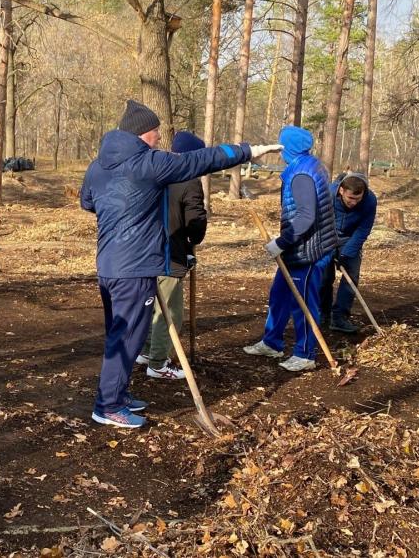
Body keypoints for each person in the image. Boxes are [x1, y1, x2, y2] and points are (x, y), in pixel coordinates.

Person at [81, 99, 282, 429]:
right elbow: (201, 160)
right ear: (144, 133)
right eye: (156, 132)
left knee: (119, 334)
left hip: (108, 263)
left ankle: (117, 392)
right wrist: (248, 151)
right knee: (127, 336)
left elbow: (88, 202)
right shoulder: (149, 163)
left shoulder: (97, 165)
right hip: (135, 267)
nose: (160, 138)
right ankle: (109, 406)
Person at [243, 125, 337, 372]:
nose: (280, 149)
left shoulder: (302, 175)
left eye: (282, 145)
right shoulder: (306, 164)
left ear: (289, 148)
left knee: (303, 303)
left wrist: (281, 243)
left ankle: (305, 354)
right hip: (299, 248)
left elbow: (306, 216)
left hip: (308, 251)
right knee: (279, 295)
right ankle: (271, 342)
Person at [136, 131, 208, 379]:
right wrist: (193, 241)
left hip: (145, 252)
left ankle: (146, 350)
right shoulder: (188, 179)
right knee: (170, 311)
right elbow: (195, 219)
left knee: (153, 306)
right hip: (170, 254)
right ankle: (158, 363)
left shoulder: (155, 170)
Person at [319, 171, 377, 333]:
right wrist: (327, 244)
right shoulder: (328, 194)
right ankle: (323, 313)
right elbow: (319, 221)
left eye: (358, 199)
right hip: (327, 235)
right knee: (324, 277)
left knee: (351, 277)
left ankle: (339, 318)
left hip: (351, 238)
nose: (354, 202)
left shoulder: (370, 200)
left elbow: (363, 229)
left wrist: (347, 252)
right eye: (351, 198)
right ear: (341, 191)